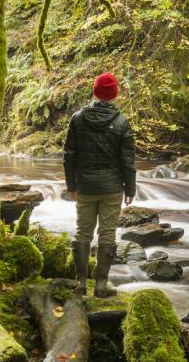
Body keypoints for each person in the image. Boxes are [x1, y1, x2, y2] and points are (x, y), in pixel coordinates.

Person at [64, 72, 136, 297]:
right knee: (107, 234)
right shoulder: (121, 122)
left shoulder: (77, 118)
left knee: (82, 232)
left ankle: (81, 284)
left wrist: (71, 185)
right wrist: (130, 189)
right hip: (112, 187)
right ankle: (102, 285)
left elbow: (69, 155)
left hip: (85, 185)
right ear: (114, 95)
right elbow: (128, 160)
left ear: (94, 92)